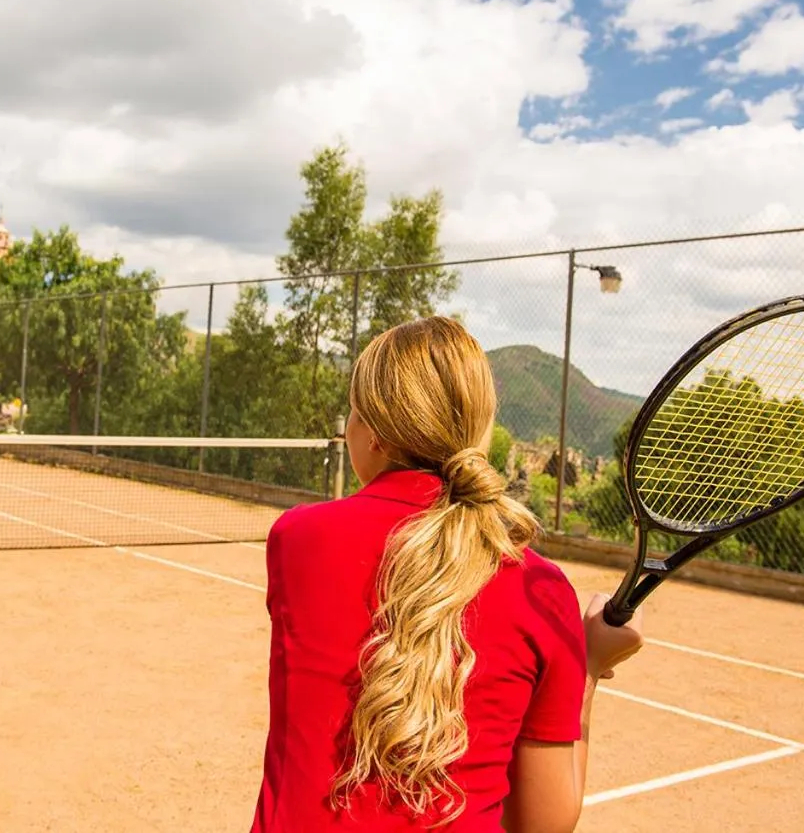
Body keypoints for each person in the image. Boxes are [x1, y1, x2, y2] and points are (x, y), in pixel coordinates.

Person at [249, 315, 644, 832]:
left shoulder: (298, 540)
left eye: (352, 410)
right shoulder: (542, 590)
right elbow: (543, 824)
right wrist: (586, 668)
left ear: (374, 435)